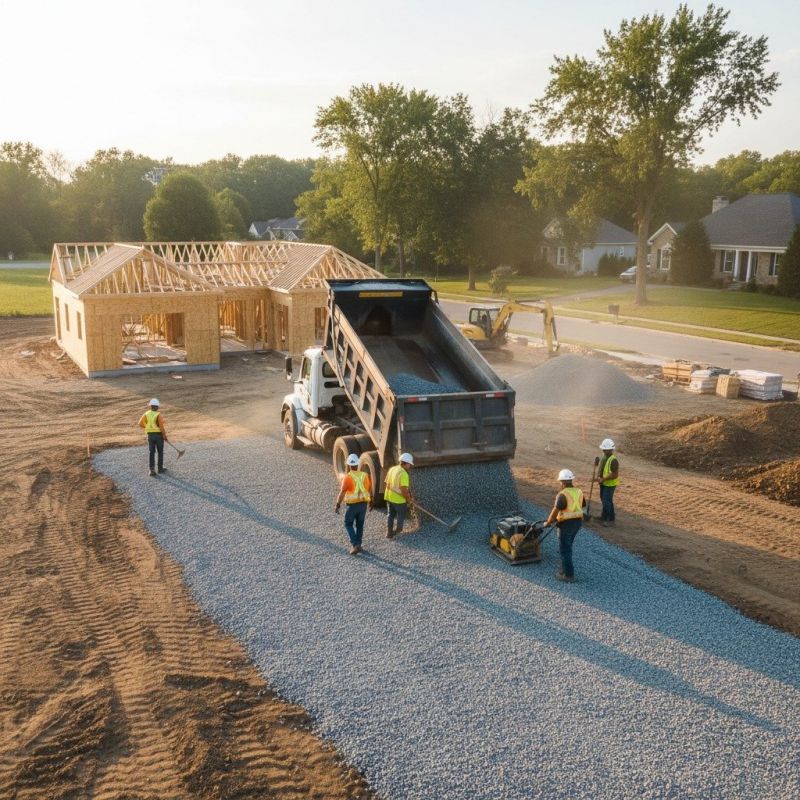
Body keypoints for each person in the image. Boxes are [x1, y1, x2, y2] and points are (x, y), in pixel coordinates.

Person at [545, 468, 586, 583]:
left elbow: (556, 510)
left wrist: (548, 522)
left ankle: (568, 575)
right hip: (577, 523)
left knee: (565, 549)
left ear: (562, 482)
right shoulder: (579, 492)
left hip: (566, 524)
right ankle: (564, 569)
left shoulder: (562, 495)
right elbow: (582, 506)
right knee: (568, 546)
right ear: (571, 480)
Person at [335, 454, 372, 555]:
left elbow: (342, 492)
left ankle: (355, 544)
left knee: (348, 524)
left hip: (352, 506)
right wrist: (370, 502)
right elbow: (368, 490)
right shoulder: (365, 476)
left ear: (348, 465)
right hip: (363, 505)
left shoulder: (347, 478)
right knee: (360, 525)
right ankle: (359, 545)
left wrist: (337, 504)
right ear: (358, 464)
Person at [384, 452, 414, 539]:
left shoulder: (392, 469)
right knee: (401, 514)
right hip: (399, 500)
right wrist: (409, 499)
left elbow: (386, 483)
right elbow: (404, 490)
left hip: (389, 497)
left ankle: (389, 533)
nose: (410, 466)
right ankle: (398, 531)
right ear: (406, 463)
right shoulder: (404, 474)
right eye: (409, 464)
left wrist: (393, 490)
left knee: (390, 515)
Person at [138, 398, 168, 477]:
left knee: (151, 452)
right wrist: (164, 436)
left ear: (150, 406)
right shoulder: (158, 414)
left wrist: (148, 427)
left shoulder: (146, 413)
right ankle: (160, 469)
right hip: (158, 436)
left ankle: (151, 470)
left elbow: (140, 423)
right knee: (160, 452)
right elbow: (161, 426)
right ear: (157, 406)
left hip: (150, 435)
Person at [595, 438, 620, 527]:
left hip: (610, 484)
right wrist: (598, 476)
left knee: (607, 501)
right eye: (603, 449)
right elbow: (601, 468)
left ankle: (610, 520)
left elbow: (615, 474)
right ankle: (603, 516)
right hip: (603, 483)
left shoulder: (613, 460)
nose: (603, 450)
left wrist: (604, 479)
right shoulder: (604, 457)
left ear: (610, 449)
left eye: (605, 449)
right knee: (604, 499)